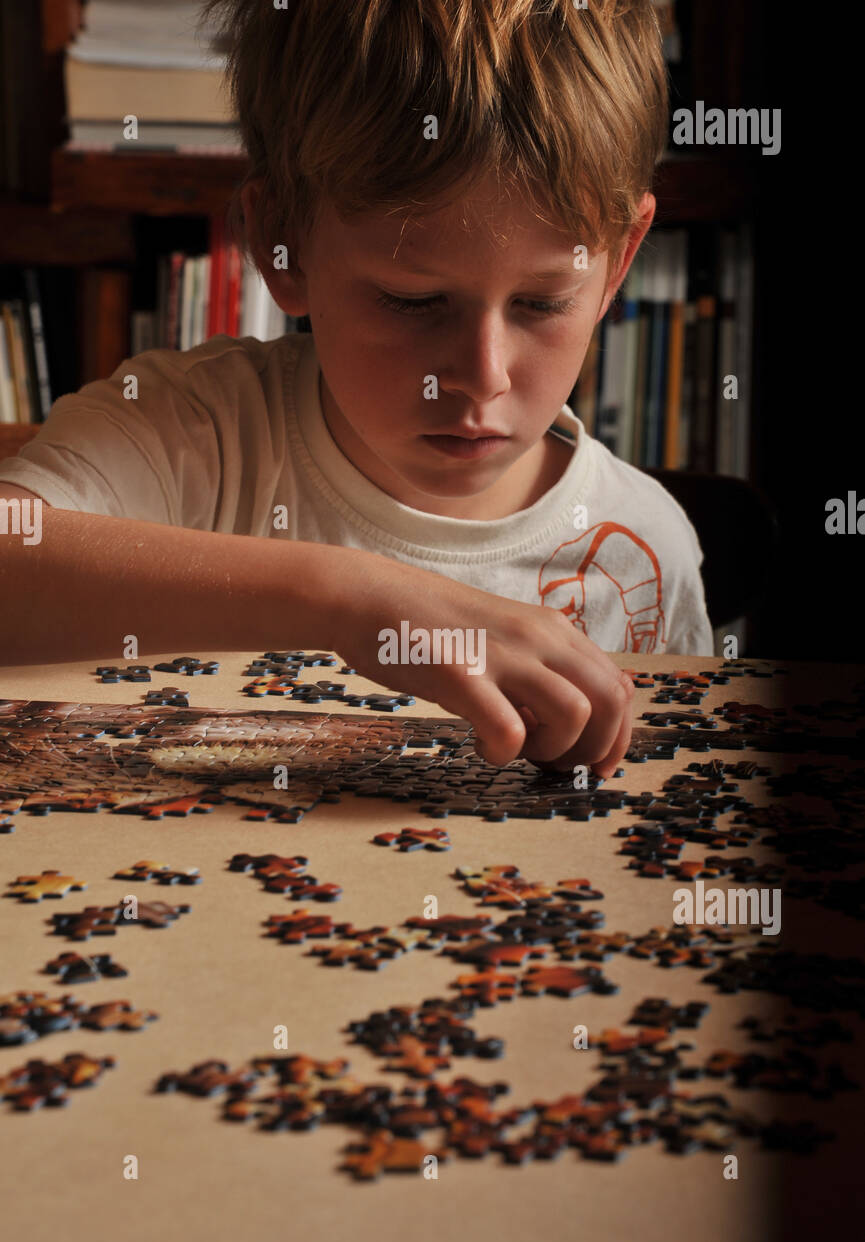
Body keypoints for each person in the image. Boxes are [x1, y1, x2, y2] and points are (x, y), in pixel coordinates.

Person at [0, 0, 712, 773]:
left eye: (541, 303)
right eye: (413, 301)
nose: (483, 375)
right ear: (283, 245)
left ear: (619, 262)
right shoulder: (190, 435)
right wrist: (348, 599)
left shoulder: (648, 550)